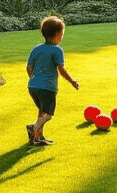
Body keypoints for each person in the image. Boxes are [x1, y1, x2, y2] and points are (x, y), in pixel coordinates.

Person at [26, 15, 79, 146]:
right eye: (62, 34)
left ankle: (38, 138)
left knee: (42, 112)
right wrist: (72, 81)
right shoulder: (57, 50)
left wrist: (34, 80)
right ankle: (33, 128)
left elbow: (29, 68)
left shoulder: (36, 48)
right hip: (47, 87)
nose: (62, 37)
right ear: (56, 34)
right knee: (48, 115)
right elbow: (61, 69)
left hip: (32, 86)